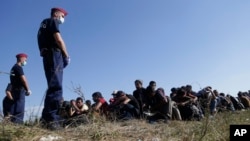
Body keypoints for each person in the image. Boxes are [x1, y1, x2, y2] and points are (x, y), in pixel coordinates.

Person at [37, 7, 70, 130]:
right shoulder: (52, 21)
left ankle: (47, 118)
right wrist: (66, 55)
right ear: (56, 14)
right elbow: (59, 40)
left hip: (47, 55)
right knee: (56, 87)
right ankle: (51, 120)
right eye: (62, 15)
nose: (63, 18)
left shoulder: (42, 25)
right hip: (54, 54)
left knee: (53, 87)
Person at [9, 53, 31, 124]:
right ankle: (17, 125)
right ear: (21, 58)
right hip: (19, 91)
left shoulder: (13, 68)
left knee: (14, 108)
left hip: (14, 90)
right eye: (25, 60)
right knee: (19, 109)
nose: (26, 62)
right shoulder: (18, 68)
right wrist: (28, 90)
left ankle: (13, 124)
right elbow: (23, 79)